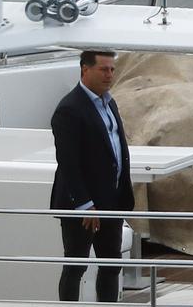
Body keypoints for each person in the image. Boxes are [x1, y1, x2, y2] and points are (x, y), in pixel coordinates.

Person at [50, 50, 135, 302]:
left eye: (112, 69)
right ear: (84, 70)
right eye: (103, 69)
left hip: (111, 203)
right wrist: (84, 204)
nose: (109, 75)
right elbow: (68, 162)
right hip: (84, 207)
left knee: (111, 265)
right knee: (75, 266)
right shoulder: (69, 109)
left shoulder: (110, 103)